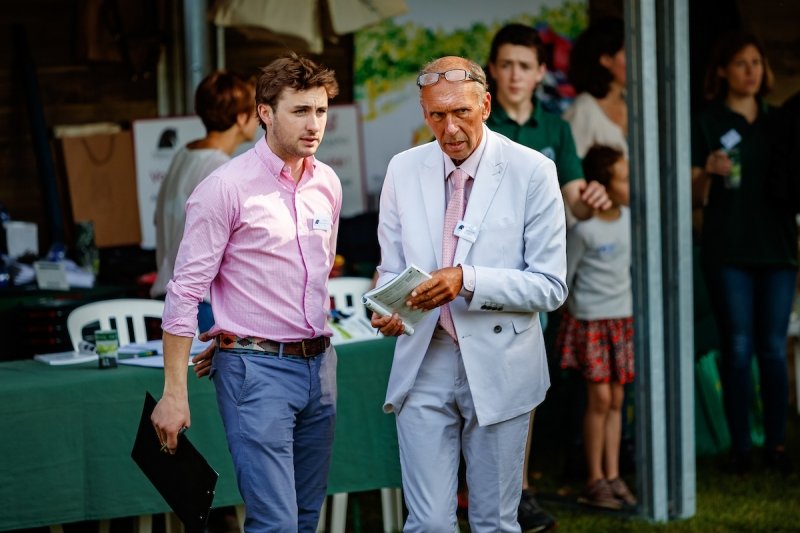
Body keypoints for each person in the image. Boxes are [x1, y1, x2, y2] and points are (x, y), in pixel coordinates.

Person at [372, 55, 568, 532]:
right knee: (428, 524)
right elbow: (390, 267)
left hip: (501, 360)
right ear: (424, 113)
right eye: (437, 115)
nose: (450, 128)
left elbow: (551, 286)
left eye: (461, 111)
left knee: (494, 522)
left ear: (486, 105)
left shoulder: (532, 170)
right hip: (424, 355)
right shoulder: (403, 168)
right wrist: (385, 307)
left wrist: (467, 279)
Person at [151, 54, 343, 531]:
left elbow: (312, 280)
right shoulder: (224, 187)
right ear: (264, 113)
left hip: (321, 365)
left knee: (305, 518)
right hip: (256, 371)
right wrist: (174, 393)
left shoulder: (328, 183)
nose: (314, 124)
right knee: (276, 523)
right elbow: (184, 291)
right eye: (300, 111)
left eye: (321, 111)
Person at [484, 23, 611, 532]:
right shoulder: (477, 121)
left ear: (541, 72)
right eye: (506, 65)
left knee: (520, 391)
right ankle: (476, 490)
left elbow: (574, 199)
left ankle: (518, 492)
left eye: (525, 66)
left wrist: (591, 199)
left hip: (531, 280)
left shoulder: (555, 129)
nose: (515, 75)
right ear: (493, 70)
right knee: (469, 385)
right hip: (475, 275)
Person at [691, 31, 797, 475]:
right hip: (728, 249)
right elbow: (690, 195)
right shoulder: (706, 121)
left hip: (778, 251)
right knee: (737, 347)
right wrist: (707, 172)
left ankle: (776, 445)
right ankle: (740, 447)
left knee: (772, 348)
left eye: (756, 62)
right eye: (740, 63)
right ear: (722, 71)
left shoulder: (780, 120)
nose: (751, 71)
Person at [555, 144, 636, 509]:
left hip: (621, 321)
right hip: (591, 323)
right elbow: (565, 278)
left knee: (617, 399)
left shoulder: (630, 220)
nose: (631, 185)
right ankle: (594, 478)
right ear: (603, 184)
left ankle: (613, 475)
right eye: (624, 178)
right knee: (600, 399)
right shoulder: (583, 231)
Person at [150, 71, 259, 332]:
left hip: (171, 293)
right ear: (241, 118)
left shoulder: (184, 154)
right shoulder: (222, 169)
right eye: (255, 109)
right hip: (200, 303)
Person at [563, 18, 628, 160]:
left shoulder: (632, 102)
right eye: (627, 52)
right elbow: (570, 166)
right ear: (606, 59)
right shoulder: (583, 110)